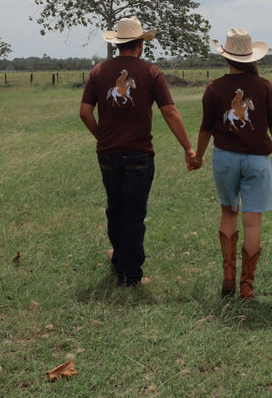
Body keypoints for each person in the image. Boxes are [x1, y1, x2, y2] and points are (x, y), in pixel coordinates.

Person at [79, 16, 196, 287]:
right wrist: (188, 148)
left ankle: (119, 257)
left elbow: (85, 111)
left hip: (107, 154)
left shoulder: (98, 71)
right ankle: (130, 276)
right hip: (139, 154)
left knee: (115, 207)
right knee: (134, 213)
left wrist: (102, 136)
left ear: (119, 44)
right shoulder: (151, 73)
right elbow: (169, 110)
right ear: (140, 44)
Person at [193, 28, 272, 300]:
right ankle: (247, 287)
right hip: (257, 161)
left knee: (228, 214)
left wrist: (198, 157)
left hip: (224, 158)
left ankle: (228, 278)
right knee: (253, 224)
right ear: (251, 57)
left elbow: (205, 129)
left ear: (226, 58)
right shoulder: (266, 86)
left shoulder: (214, 88)